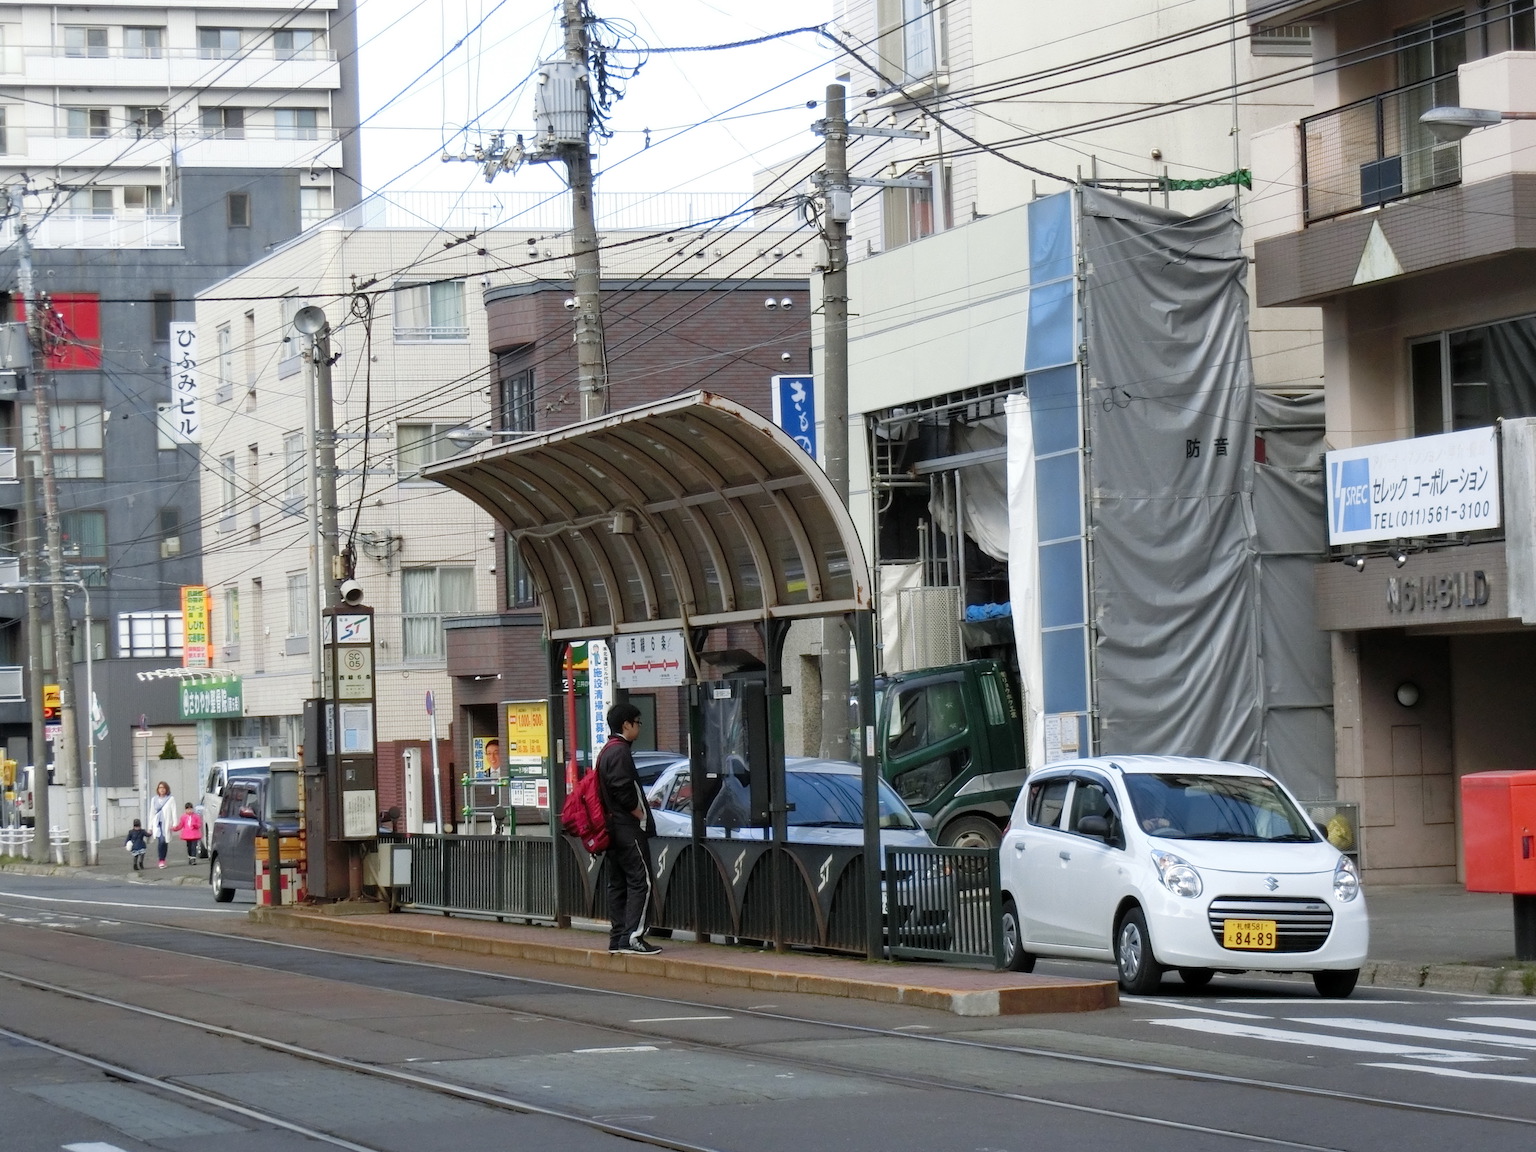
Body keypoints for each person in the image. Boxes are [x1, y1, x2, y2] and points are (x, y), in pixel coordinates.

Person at [596, 701, 660, 955]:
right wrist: (639, 812)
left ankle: (618, 937)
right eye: (638, 722)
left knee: (618, 882)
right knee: (640, 881)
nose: (640, 727)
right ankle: (633, 937)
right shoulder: (620, 751)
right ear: (627, 724)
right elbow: (622, 788)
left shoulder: (606, 751)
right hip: (627, 827)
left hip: (611, 828)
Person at [147, 780, 177, 869]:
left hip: (166, 823)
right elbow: (152, 813)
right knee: (161, 841)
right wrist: (150, 827)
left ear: (166, 789)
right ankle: (161, 860)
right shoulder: (154, 799)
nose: (162, 789)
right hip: (157, 823)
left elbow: (174, 811)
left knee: (164, 841)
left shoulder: (171, 799)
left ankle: (163, 859)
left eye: (163, 788)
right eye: (160, 788)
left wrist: (175, 823)